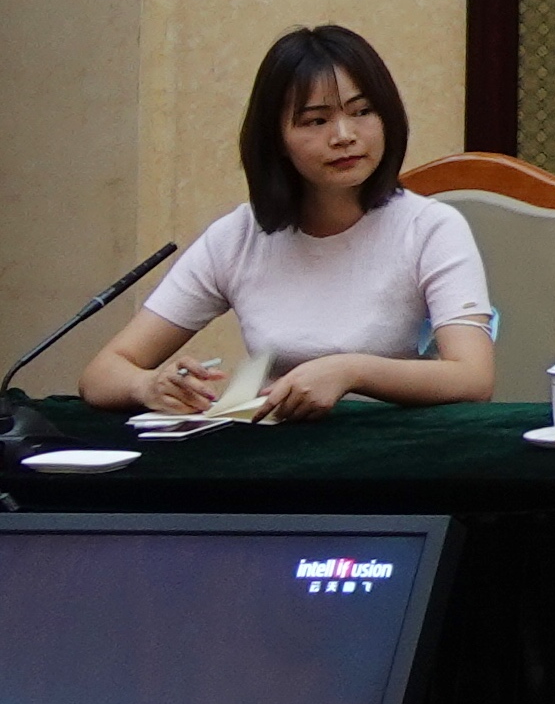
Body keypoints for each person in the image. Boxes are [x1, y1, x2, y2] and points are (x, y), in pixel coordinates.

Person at [82, 25, 497, 422]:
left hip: (399, 454)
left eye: (363, 112)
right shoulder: (238, 237)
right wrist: (149, 385)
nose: (344, 135)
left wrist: (351, 371)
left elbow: (472, 377)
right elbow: (102, 374)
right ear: (275, 139)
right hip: (277, 453)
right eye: (316, 120)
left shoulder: (430, 228)